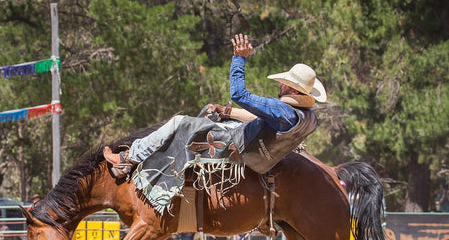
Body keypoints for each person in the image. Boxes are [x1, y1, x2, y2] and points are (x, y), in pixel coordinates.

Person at [103, 33, 326, 177]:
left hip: (238, 145)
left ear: (293, 90)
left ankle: (128, 158)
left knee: (180, 122)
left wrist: (239, 58)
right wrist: (227, 111)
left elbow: (238, 93)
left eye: (285, 84)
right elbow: (262, 121)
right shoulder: (305, 117)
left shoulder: (280, 110)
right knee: (217, 119)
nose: (281, 85)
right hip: (258, 153)